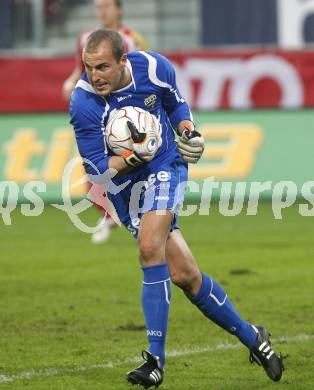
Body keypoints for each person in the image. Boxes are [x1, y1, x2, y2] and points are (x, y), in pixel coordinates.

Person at [70, 29, 284, 389]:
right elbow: (95, 170)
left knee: (149, 246)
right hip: (126, 188)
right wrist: (130, 156)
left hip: (166, 166)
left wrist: (188, 130)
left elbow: (176, 105)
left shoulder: (154, 68)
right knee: (185, 275)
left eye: (103, 66)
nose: (95, 75)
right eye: (89, 68)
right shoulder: (83, 102)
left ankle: (155, 361)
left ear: (124, 59)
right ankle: (254, 337)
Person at [63, 0, 148, 244]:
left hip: (124, 112)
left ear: (118, 9)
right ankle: (110, 216)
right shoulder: (86, 39)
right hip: (97, 112)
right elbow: (80, 71)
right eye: (98, 7)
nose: (102, 11)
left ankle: (139, 213)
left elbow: (138, 74)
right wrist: (70, 83)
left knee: (130, 162)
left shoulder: (131, 39)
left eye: (107, 6)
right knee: (93, 168)